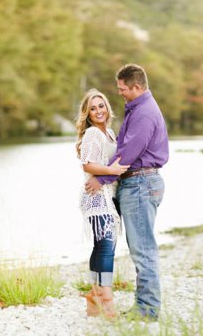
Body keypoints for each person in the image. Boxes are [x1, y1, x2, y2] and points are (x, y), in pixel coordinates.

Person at [85, 64, 168, 320]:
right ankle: (116, 303)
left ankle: (147, 310)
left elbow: (128, 154)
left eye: (122, 89)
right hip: (137, 185)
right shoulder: (138, 109)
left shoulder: (143, 114)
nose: (119, 93)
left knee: (143, 250)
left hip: (141, 185)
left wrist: (103, 177)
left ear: (137, 87)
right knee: (137, 247)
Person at [75, 89, 128, 318]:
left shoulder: (109, 133)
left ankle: (94, 298)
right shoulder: (92, 134)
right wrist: (110, 171)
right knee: (106, 246)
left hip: (107, 195)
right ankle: (107, 300)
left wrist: (109, 174)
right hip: (97, 197)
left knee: (101, 246)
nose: (98, 111)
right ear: (87, 113)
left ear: (107, 108)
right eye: (93, 108)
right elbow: (87, 165)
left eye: (101, 106)